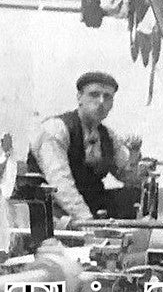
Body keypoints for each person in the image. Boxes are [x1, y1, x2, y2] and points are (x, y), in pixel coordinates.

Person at [27, 71, 145, 221]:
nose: (101, 101)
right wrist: (87, 221)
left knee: (136, 196)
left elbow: (128, 177)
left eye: (107, 97)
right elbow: (60, 184)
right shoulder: (56, 129)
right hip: (52, 210)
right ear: (79, 98)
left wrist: (133, 156)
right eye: (94, 94)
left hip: (91, 205)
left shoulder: (108, 136)